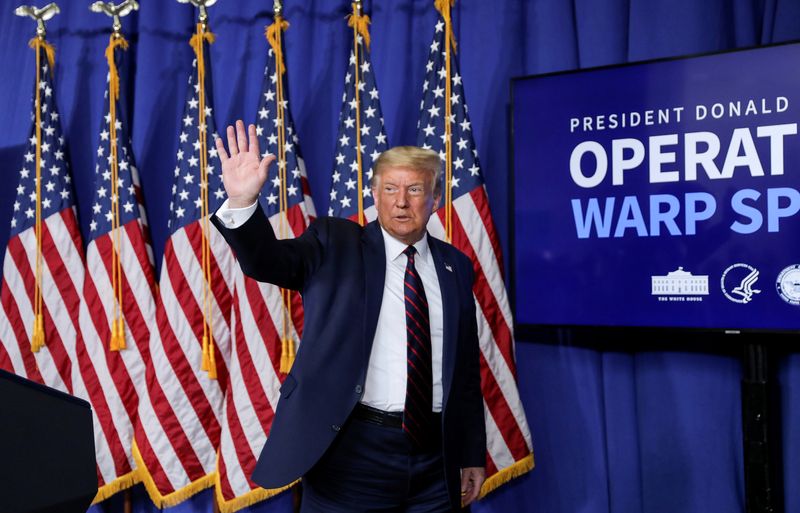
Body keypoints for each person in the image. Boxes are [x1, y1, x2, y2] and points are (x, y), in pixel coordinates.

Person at [212, 120, 486, 512]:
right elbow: (265, 262)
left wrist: (472, 451)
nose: (401, 202)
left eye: (414, 190)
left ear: (436, 198)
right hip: (351, 455)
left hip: (435, 462)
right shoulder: (334, 243)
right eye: (389, 189)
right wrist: (242, 202)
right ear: (374, 194)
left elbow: (464, 370)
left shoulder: (455, 266)